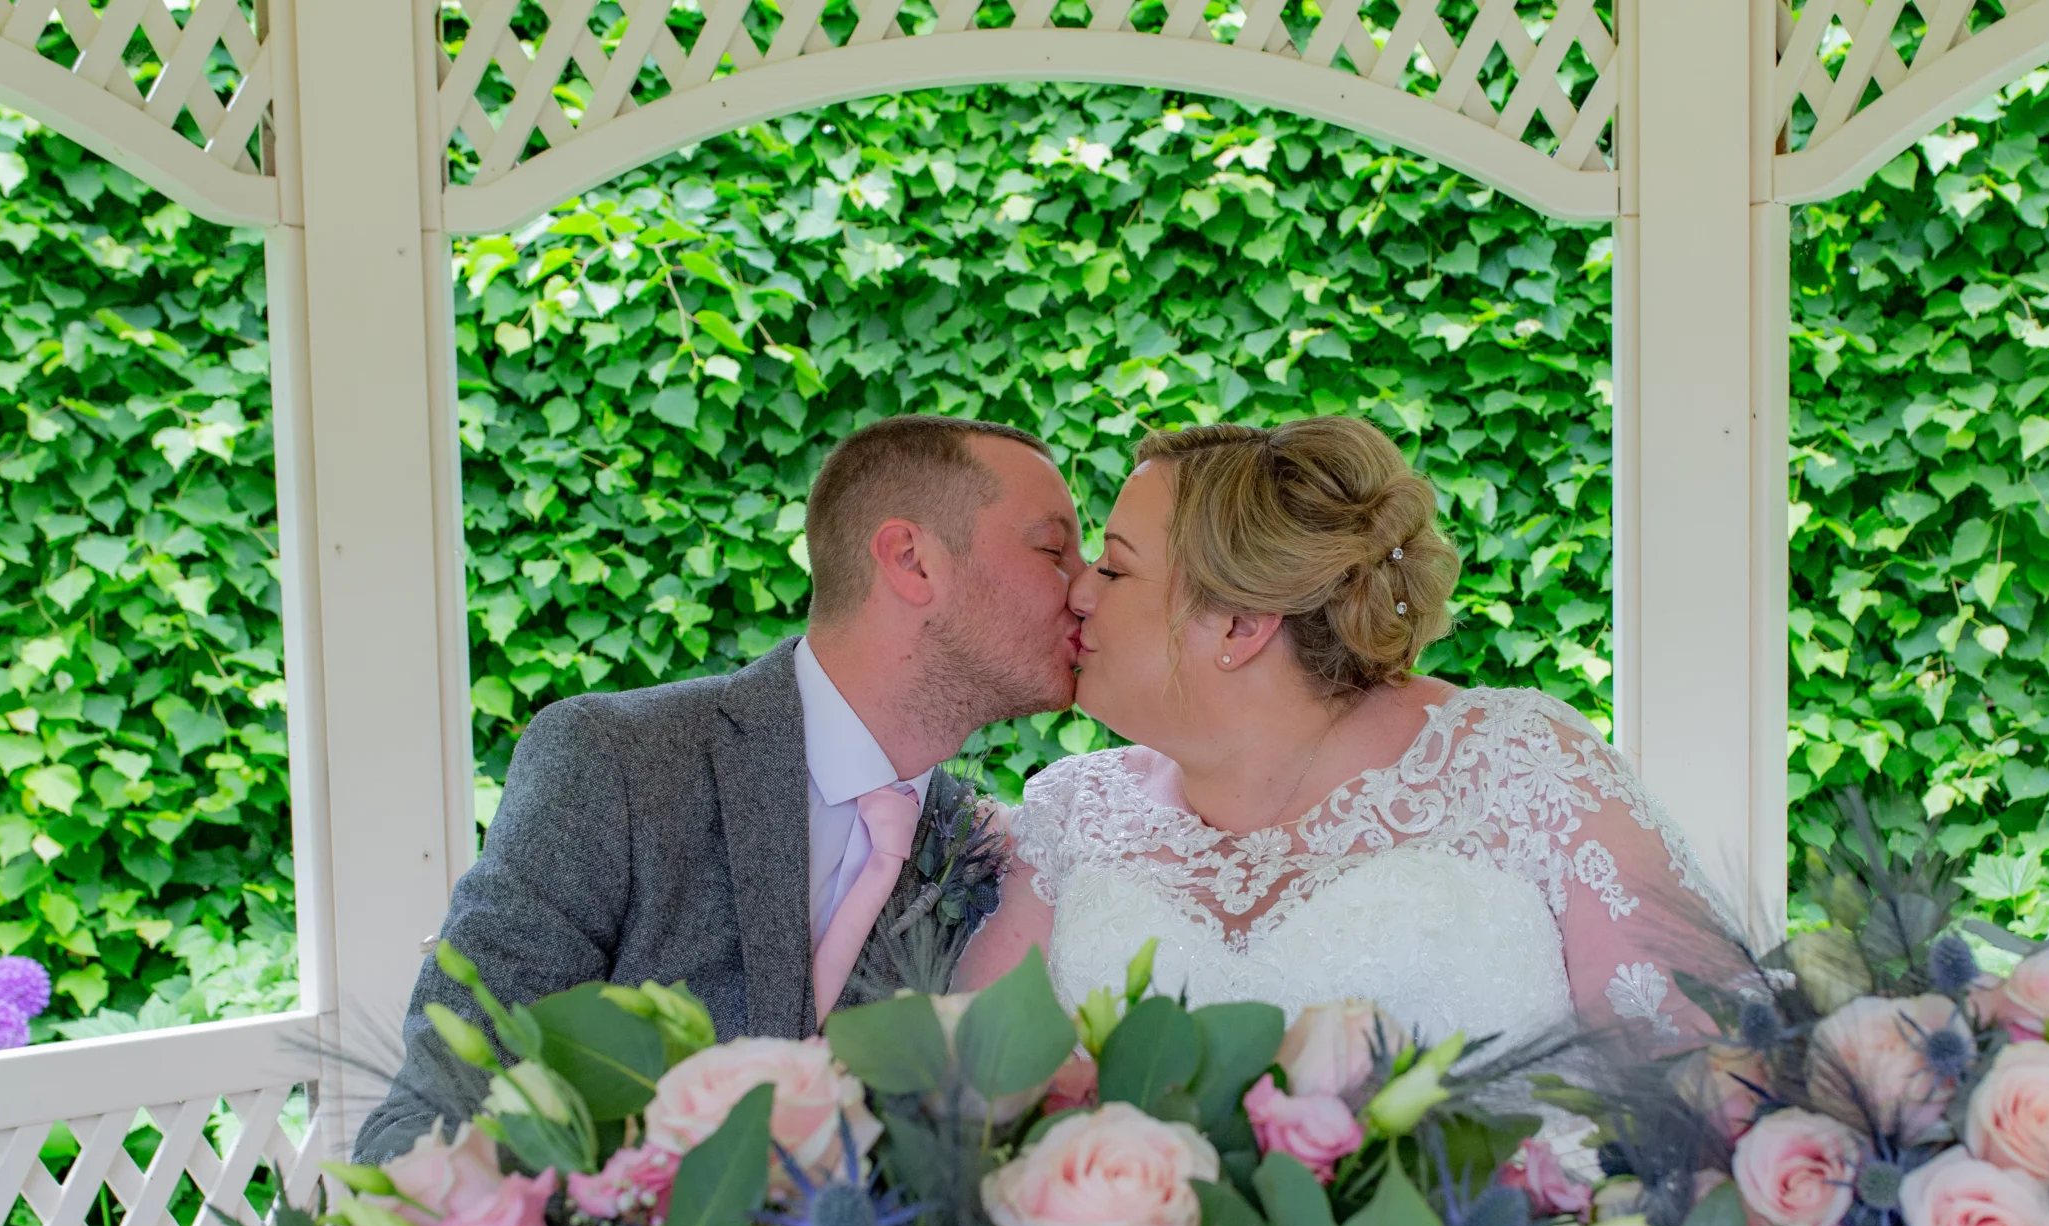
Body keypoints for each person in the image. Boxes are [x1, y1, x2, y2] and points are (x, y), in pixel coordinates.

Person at [354, 414, 1082, 1160]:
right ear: (911, 561)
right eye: (1056, 550)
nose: (1087, 591)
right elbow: (434, 1115)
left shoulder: (994, 853)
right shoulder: (618, 765)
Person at [958, 416, 1737, 1058]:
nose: (1079, 592)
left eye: (1116, 570)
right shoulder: (1074, 812)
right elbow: (975, 1091)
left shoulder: (1525, 768)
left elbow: (1710, 1070)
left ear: (1240, 624)